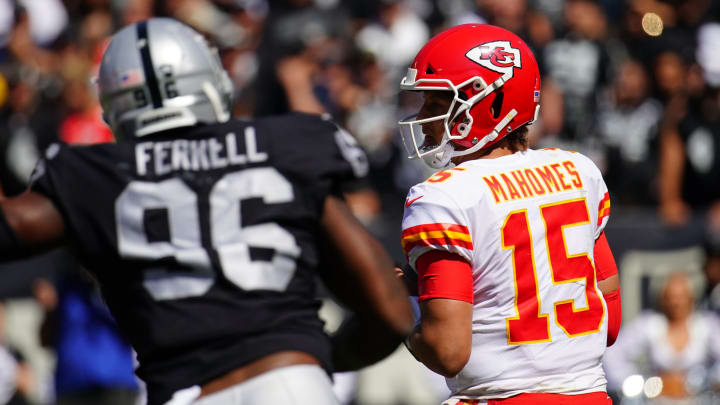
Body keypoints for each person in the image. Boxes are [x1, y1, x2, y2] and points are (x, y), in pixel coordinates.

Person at [0, 18, 413, 405]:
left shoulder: (95, 174)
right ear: (211, 80)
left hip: (185, 392)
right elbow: (391, 312)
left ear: (112, 101)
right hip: (289, 383)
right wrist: (324, 355)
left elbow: (12, 226)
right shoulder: (286, 146)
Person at [397, 24, 622, 404]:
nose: (424, 116)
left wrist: (395, 316)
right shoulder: (579, 172)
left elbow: (448, 351)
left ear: (490, 104)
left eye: (437, 104)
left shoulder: (444, 196)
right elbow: (609, 321)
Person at [604, 272, 720, 401]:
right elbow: (613, 354)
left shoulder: (706, 326)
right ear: (661, 299)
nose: (676, 303)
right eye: (670, 297)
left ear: (692, 298)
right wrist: (649, 385)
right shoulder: (650, 324)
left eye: (681, 297)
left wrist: (702, 383)